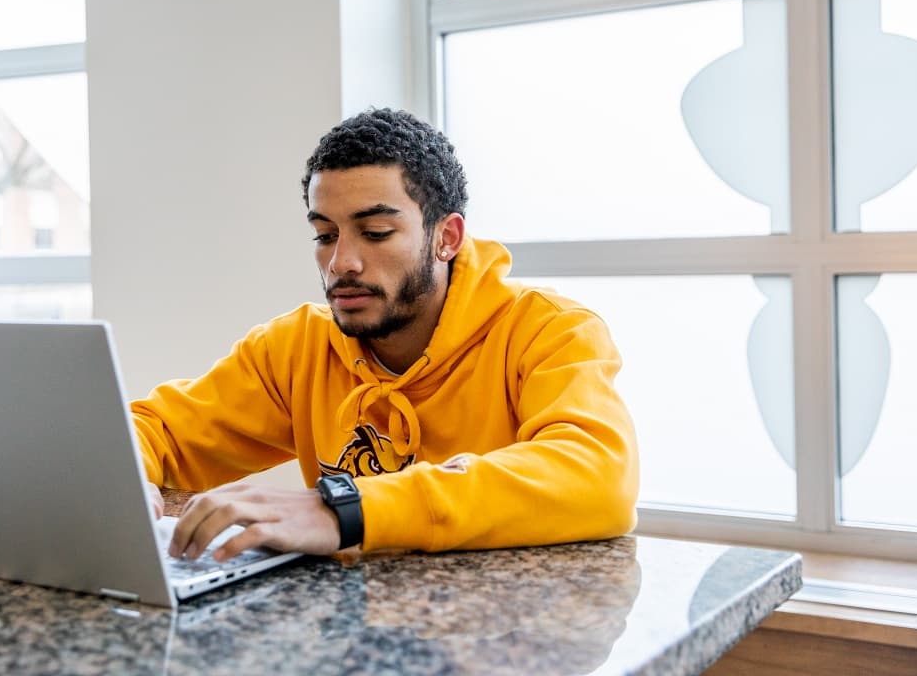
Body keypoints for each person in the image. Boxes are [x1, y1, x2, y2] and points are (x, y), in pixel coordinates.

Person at [133, 108, 639, 563]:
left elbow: (598, 476)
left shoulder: (550, 330)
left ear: (446, 238)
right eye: (325, 235)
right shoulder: (294, 348)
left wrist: (346, 510)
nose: (341, 263)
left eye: (375, 233)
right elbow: (156, 431)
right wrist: (125, 472)